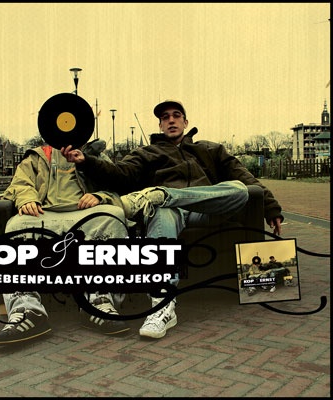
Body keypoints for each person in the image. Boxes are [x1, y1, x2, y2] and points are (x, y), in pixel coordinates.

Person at [62, 99, 284, 339]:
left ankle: (163, 194)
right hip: (171, 213)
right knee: (161, 211)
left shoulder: (210, 150)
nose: (171, 120)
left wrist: (271, 208)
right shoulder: (146, 153)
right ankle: (162, 305)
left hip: (206, 210)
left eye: (176, 115)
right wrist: (86, 161)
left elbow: (246, 178)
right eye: (165, 117)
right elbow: (119, 173)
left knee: (239, 190)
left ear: (185, 122)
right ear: (160, 125)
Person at [0, 143, 130, 346]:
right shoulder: (37, 156)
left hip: (86, 213)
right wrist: (27, 198)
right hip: (43, 213)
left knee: (114, 216)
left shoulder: (96, 155)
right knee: (15, 227)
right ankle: (27, 310)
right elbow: (19, 183)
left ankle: (99, 302)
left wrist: (100, 196)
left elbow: (119, 187)